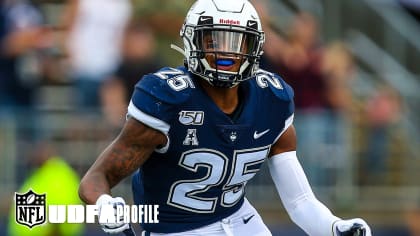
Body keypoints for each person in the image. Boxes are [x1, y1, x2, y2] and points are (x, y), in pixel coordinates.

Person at [79, 0, 372, 235]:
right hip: (176, 231)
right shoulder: (168, 98)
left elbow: (300, 202)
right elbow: (95, 179)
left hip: (242, 221)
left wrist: (333, 226)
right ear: (193, 41)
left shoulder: (271, 97)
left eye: (236, 42)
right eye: (214, 40)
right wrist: (107, 206)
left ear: (253, 47)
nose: (225, 52)